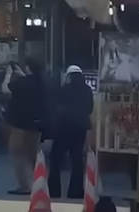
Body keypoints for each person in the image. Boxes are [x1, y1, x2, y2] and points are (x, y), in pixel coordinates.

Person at [48, 65, 94, 199]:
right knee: (77, 160)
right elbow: (90, 109)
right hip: (80, 129)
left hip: (63, 128)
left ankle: (54, 191)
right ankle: (76, 192)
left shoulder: (63, 90)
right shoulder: (87, 90)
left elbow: (55, 108)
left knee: (56, 159)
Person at [2, 57, 46, 195]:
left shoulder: (23, 83)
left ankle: (24, 185)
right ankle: (41, 184)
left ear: (28, 68)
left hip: (20, 124)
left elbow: (5, 89)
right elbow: (29, 81)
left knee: (17, 153)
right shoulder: (43, 82)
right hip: (36, 123)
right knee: (34, 155)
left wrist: (9, 74)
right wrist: (22, 74)